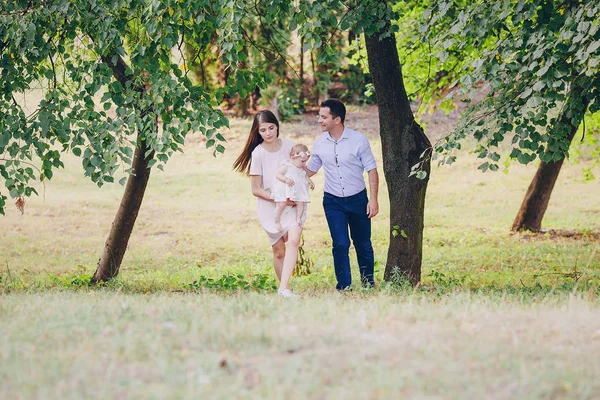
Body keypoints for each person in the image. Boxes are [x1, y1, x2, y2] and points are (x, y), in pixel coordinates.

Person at [306, 99, 379, 290]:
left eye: (323, 117)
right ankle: (344, 286)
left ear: (337, 119)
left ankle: (368, 283)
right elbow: (311, 168)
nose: (319, 120)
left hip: (358, 199)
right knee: (340, 243)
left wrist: (373, 200)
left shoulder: (358, 140)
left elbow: (372, 169)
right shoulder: (320, 142)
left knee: (363, 244)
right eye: (319, 116)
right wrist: (291, 170)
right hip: (333, 201)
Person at [233, 110, 306, 298]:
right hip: (270, 206)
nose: (268, 133)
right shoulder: (258, 154)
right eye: (263, 130)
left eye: (271, 128)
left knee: (294, 240)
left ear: (277, 126)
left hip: (292, 204)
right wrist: (279, 198)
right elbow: (256, 189)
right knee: (279, 252)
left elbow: (301, 169)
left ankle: (283, 289)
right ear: (258, 132)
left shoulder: (290, 146)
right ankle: (285, 289)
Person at [272, 143, 315, 231]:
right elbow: (277, 174)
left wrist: (310, 182)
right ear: (293, 157)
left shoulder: (301, 169)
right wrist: (285, 179)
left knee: (301, 203)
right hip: (284, 190)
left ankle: (298, 218)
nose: (304, 164)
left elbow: (305, 176)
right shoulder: (287, 166)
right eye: (302, 161)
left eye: (305, 161)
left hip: (295, 191)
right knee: (281, 204)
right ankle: (276, 221)